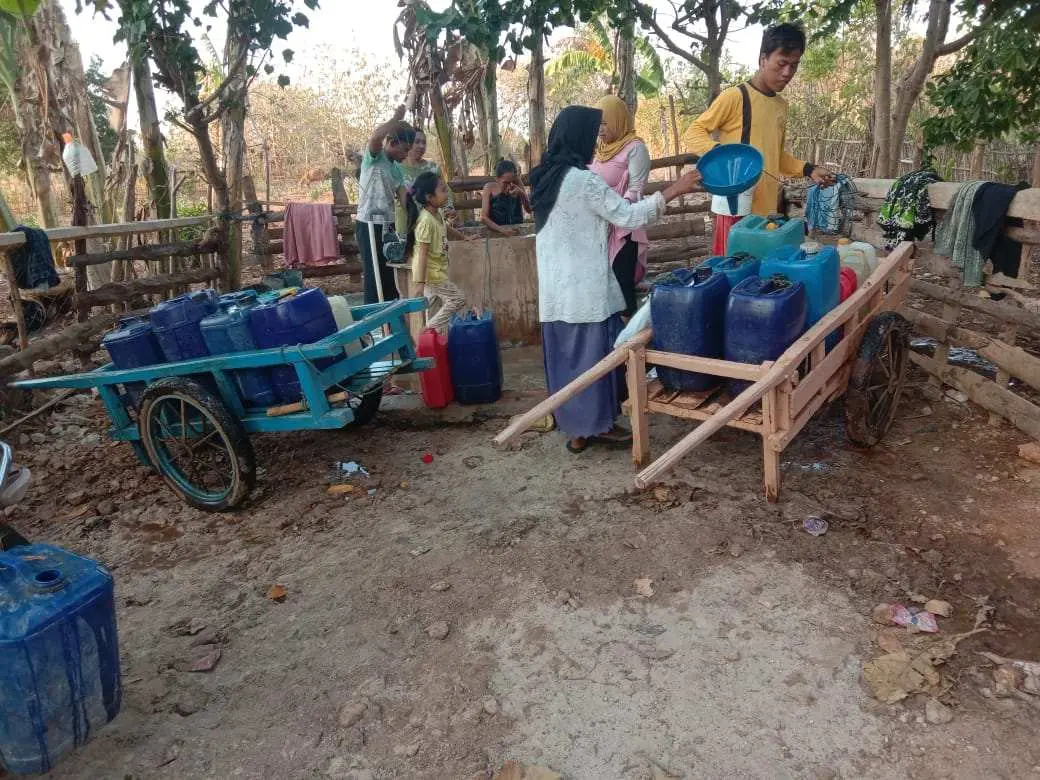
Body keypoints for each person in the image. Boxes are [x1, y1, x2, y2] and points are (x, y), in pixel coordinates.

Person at [531, 105, 702, 454]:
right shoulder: (583, 181)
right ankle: (594, 427)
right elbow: (627, 215)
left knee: (568, 363)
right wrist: (674, 190)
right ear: (578, 137)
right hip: (584, 292)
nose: (596, 143)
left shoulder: (544, 179)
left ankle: (577, 430)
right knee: (592, 363)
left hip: (555, 295)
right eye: (591, 135)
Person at [683, 23, 835, 253]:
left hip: (767, 213)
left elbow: (775, 156)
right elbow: (693, 132)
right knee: (733, 275)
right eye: (781, 63)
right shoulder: (736, 97)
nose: (787, 73)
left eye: (794, 66)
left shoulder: (781, 106)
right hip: (736, 211)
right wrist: (724, 154)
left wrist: (809, 169)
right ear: (763, 59)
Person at [589, 95, 652, 318]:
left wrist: (618, 210)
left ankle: (629, 343)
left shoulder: (635, 149)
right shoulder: (599, 151)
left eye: (605, 123)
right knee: (605, 285)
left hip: (624, 227)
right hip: (600, 227)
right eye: (598, 124)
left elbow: (635, 189)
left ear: (617, 120)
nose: (601, 129)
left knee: (622, 284)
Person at [357, 105, 416, 304]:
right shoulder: (374, 157)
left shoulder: (396, 170)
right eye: (405, 149)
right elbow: (374, 137)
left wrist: (418, 211)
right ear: (392, 141)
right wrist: (395, 119)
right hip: (368, 223)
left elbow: (404, 197)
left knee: (388, 271)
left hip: (387, 225)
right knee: (374, 277)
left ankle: (391, 322)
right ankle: (372, 328)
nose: (406, 155)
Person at [407, 171, 474, 334]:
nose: (446, 194)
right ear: (430, 197)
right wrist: (420, 285)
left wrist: (464, 237)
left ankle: (434, 342)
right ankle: (427, 330)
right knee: (458, 299)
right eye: (443, 190)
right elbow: (422, 253)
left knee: (435, 308)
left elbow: (446, 227)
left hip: (437, 271)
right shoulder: (425, 221)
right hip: (431, 274)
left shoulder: (436, 214)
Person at [395, 129, 455, 234]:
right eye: (417, 142)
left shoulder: (432, 167)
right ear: (408, 143)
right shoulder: (396, 168)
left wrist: (449, 210)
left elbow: (446, 191)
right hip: (405, 226)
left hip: (431, 225)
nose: (421, 146)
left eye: (424, 142)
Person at [481, 159, 531, 237]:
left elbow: (529, 210)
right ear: (497, 179)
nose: (509, 186)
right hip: (496, 232)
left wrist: (521, 193)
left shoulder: (518, 184)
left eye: (512, 182)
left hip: (516, 231)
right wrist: (502, 230)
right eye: (505, 183)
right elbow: (483, 218)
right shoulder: (489, 187)